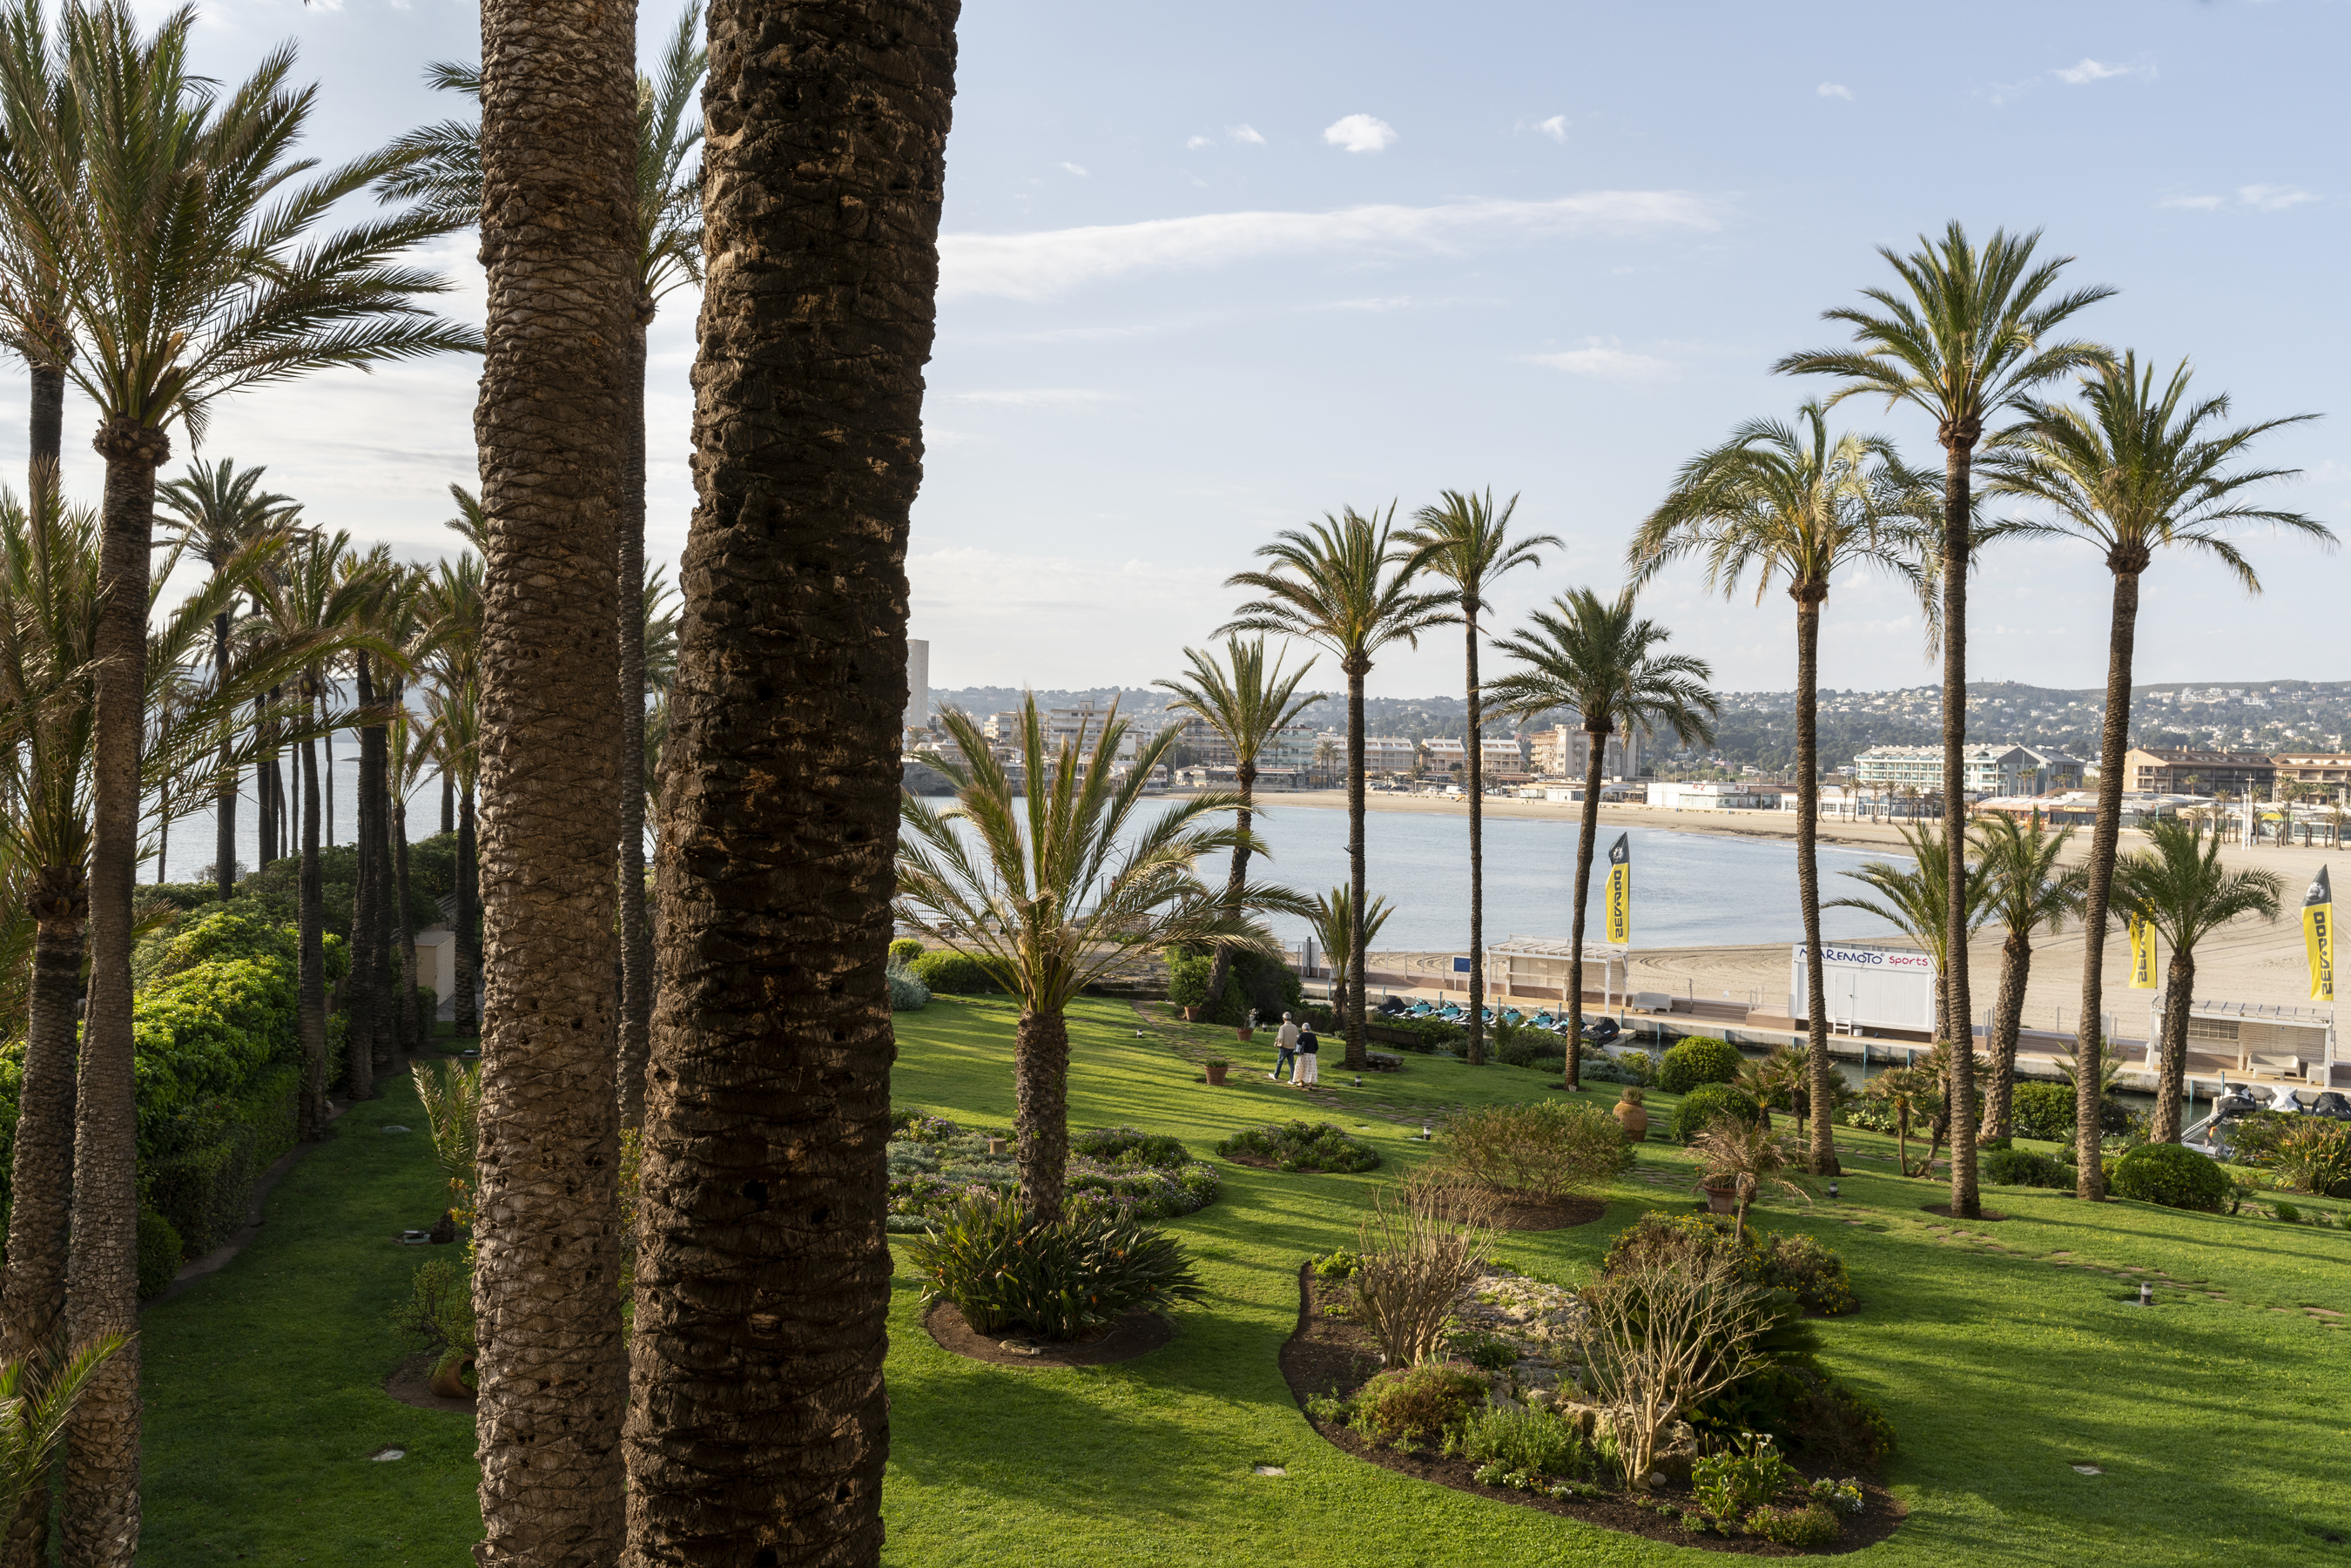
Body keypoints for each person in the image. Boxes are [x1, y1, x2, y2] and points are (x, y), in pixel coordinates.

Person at [1271, 1010, 1299, 1081]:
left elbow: (1280, 1037)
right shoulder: (1295, 1027)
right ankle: (1292, 1079)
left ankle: (1276, 1075)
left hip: (1284, 1047)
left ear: (1284, 1019)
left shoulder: (1283, 1027)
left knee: (1280, 1062)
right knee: (1291, 1064)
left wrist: (1278, 1044)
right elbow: (1297, 1037)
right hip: (1292, 1047)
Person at [1294, 1016, 1320, 1087]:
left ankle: (1302, 1083)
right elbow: (1316, 1046)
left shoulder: (1303, 1035)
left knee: (1303, 1068)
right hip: (1312, 1055)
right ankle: (1310, 1085)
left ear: (1303, 1029)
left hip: (1304, 1054)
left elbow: (1299, 1043)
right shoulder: (1313, 1035)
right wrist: (1314, 1053)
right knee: (1311, 1069)